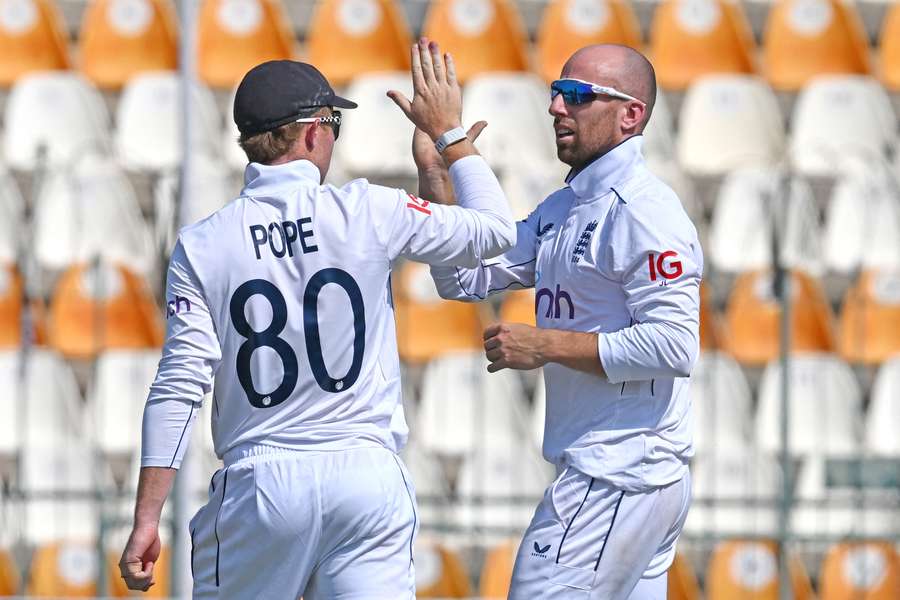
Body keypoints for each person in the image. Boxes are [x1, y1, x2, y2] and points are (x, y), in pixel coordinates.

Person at [118, 39, 515, 598]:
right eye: (335, 125)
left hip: (261, 485)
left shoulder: (202, 244)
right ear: (311, 133)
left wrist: (146, 517)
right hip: (365, 477)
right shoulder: (371, 208)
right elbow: (495, 231)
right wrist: (447, 140)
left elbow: (180, 386)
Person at [420, 44, 702, 599]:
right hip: (621, 476)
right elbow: (461, 279)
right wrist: (436, 169)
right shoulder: (564, 207)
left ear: (631, 115)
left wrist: (544, 344)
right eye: (556, 91)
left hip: (619, 475)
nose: (556, 106)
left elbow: (675, 347)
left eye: (577, 95)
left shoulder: (645, 211)